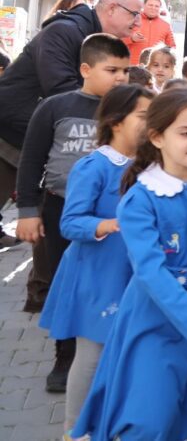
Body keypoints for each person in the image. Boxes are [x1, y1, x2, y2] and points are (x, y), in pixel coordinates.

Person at [72, 89, 187, 440]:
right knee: (147, 420)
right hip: (153, 321)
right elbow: (151, 272)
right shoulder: (140, 199)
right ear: (157, 137)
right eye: (186, 133)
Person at [15, 34, 130, 391]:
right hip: (60, 209)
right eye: (112, 70)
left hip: (113, 215)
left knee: (108, 283)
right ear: (85, 69)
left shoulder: (127, 110)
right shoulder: (54, 107)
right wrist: (28, 211)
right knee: (63, 283)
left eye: (125, 70)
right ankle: (65, 357)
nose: (121, 78)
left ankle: (108, 354)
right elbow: (31, 159)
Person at [38, 84, 153, 432]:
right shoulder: (94, 166)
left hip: (134, 273)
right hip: (98, 275)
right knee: (92, 355)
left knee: (128, 353)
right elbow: (70, 221)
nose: (151, 125)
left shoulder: (149, 165)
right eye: (144, 117)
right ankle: (76, 430)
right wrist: (109, 224)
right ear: (117, 121)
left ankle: (114, 422)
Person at [0, 0, 141, 213]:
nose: (138, 22)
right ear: (113, 8)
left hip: (25, 131)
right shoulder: (65, 31)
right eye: (135, 14)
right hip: (8, 132)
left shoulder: (85, 33)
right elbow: (60, 89)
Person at [122, 0, 176, 65]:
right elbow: (117, 41)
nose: (153, 8)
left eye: (156, 6)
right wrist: (131, 39)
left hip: (154, 67)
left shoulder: (166, 25)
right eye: (150, 5)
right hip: (133, 65)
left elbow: (172, 47)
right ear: (143, 6)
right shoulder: (131, 20)